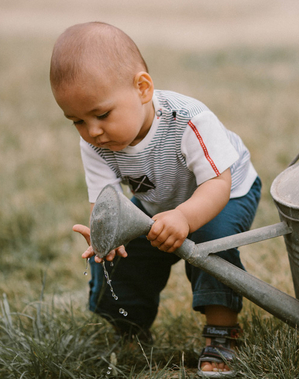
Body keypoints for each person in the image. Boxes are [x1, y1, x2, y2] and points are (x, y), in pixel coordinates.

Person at [49, 22, 260, 377]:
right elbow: (106, 201)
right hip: (158, 203)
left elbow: (216, 184)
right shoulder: (95, 143)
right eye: (77, 121)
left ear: (142, 88)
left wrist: (185, 218)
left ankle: (222, 333)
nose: (92, 131)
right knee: (123, 255)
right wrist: (105, 232)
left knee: (210, 242)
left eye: (101, 114)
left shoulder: (189, 121)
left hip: (225, 192)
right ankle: (130, 327)